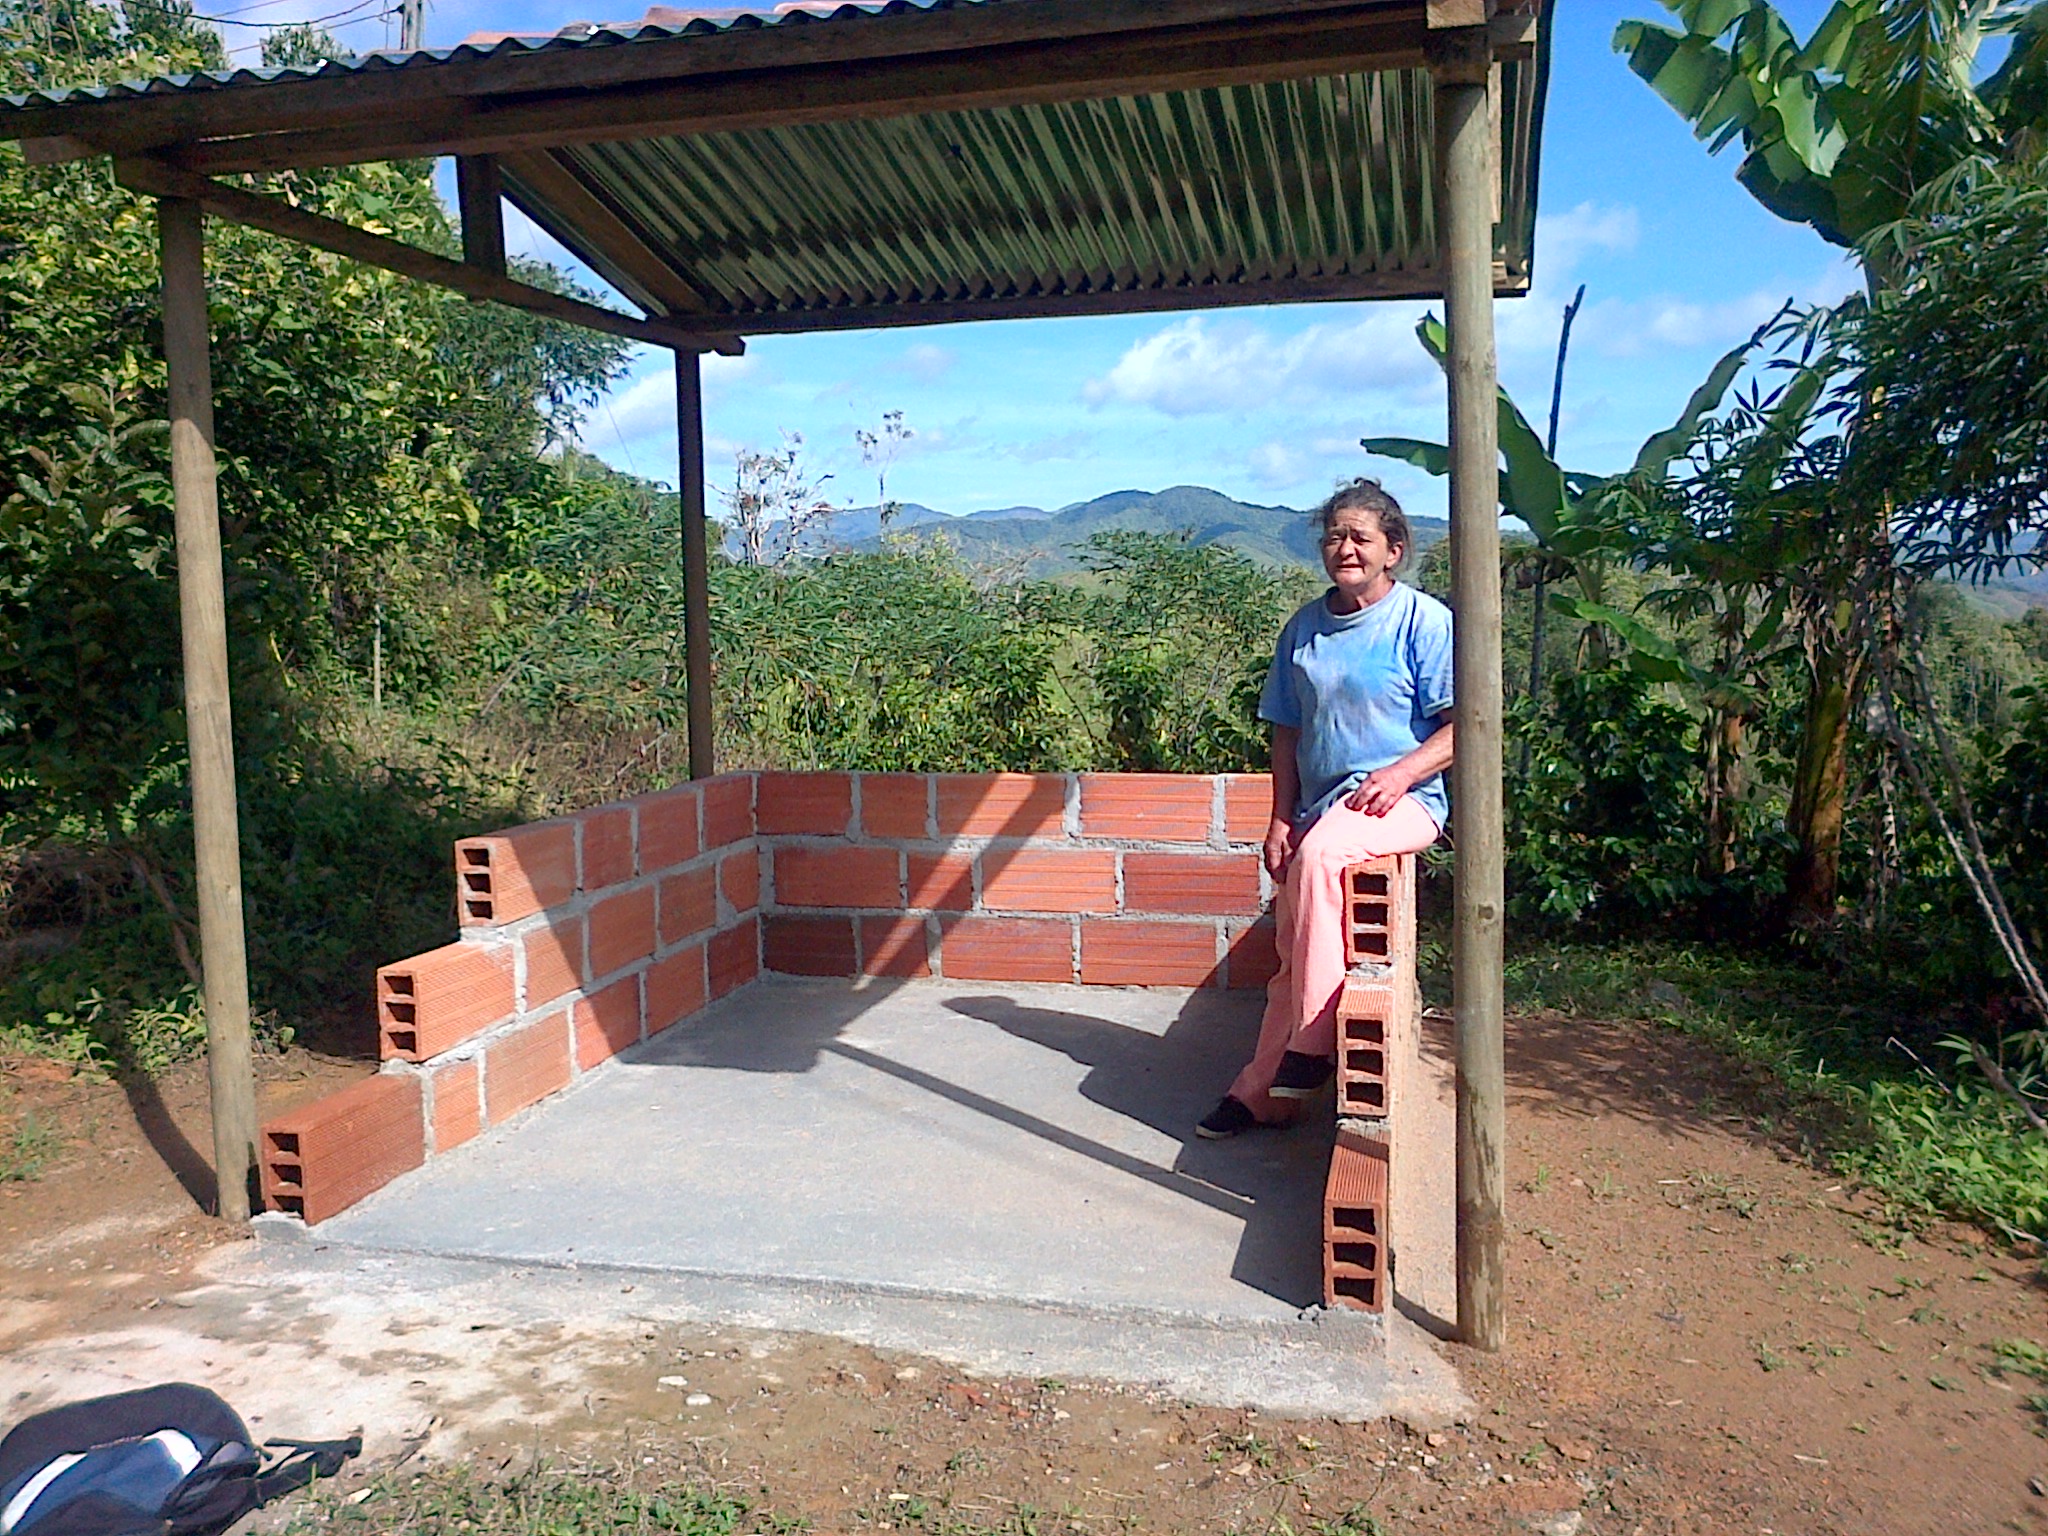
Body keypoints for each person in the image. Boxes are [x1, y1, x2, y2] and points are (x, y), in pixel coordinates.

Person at [1198, 478, 1454, 1138]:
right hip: (1322, 806)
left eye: (1360, 537)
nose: (1345, 547)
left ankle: (1312, 1048)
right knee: (1295, 945)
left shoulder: (1424, 622)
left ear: (1393, 550)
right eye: (1335, 535)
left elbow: (1467, 726)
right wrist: (1280, 817)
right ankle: (1263, 1094)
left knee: (1323, 856)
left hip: (1406, 802)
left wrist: (1401, 773)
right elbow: (1287, 730)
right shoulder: (1304, 628)